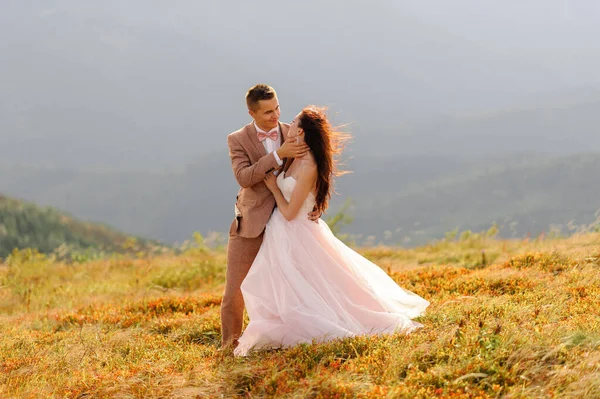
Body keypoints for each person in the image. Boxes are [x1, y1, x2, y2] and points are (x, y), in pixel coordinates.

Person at [233, 106, 430, 357]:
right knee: (294, 284)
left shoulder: (308, 164)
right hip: (283, 232)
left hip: (294, 231)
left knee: (304, 284)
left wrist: (272, 187)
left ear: (301, 131)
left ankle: (307, 325)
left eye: (293, 121)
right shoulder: (296, 153)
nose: (287, 123)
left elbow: (291, 212)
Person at [220, 84, 319, 349]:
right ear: (251, 112)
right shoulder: (237, 139)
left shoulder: (293, 130)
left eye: (276, 109)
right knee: (235, 289)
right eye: (267, 113)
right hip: (252, 222)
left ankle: (287, 339)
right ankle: (229, 345)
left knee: (297, 285)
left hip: (289, 225)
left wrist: (318, 202)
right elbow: (244, 177)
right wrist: (278, 154)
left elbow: (316, 166)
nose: (275, 116)